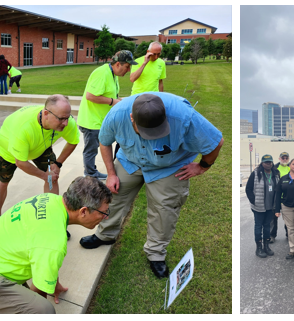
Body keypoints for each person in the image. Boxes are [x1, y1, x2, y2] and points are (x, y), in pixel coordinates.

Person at [78, 92, 223, 278]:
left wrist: (203, 166)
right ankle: (105, 234)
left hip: (170, 166)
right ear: (132, 119)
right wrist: (111, 173)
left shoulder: (184, 116)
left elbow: (216, 142)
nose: (152, 137)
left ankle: (156, 253)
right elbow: (104, 142)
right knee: (112, 196)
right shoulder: (116, 114)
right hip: (130, 160)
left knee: (164, 209)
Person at [0, 177, 111, 314]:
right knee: (43, 310)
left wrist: (51, 281)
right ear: (83, 211)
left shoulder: (50, 200)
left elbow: (42, 253)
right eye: (103, 213)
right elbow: (38, 295)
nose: (105, 217)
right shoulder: (53, 240)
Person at [0, 95, 79, 221]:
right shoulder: (23, 128)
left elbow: (73, 141)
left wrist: (58, 163)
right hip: (9, 150)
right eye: (61, 119)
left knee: (52, 177)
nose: (65, 123)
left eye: (67, 117)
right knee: (3, 180)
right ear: (45, 114)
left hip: (41, 146)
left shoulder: (66, 121)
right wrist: (44, 175)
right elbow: (21, 162)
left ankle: (52, 216)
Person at [77, 50, 137, 180]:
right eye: (127, 67)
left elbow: (110, 95)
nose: (128, 71)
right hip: (91, 121)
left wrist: (119, 100)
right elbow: (90, 96)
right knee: (91, 150)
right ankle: (89, 174)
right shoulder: (102, 73)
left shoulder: (112, 74)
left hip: (100, 120)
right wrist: (112, 102)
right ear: (117, 65)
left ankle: (93, 172)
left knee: (101, 146)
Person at [245, 155, 281, 258]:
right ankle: (259, 248)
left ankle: (266, 246)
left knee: (267, 226)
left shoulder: (275, 174)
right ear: (262, 163)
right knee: (258, 226)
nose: (268, 164)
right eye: (266, 162)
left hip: (270, 206)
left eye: (270, 162)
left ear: (272, 163)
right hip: (259, 206)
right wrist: (254, 200)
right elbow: (248, 189)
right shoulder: (256, 173)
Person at [269, 151, 291, 242]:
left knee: (288, 217)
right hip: (276, 196)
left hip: (288, 196)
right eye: (283, 158)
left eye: (286, 158)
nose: (284, 159)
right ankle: (272, 235)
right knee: (273, 217)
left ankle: (288, 234)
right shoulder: (274, 168)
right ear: (279, 158)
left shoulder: (291, 168)